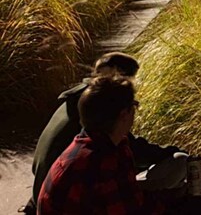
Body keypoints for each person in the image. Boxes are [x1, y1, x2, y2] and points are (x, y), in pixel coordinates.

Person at [28, 53, 187, 213]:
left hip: (52, 193)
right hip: (76, 194)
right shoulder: (101, 150)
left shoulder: (84, 102)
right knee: (180, 168)